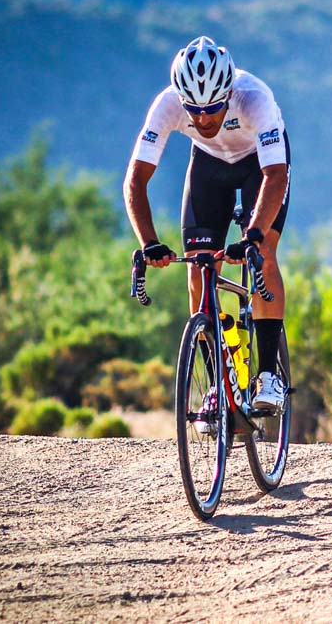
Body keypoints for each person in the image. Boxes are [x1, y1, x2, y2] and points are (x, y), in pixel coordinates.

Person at [123, 36, 290, 418]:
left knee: (262, 255)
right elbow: (135, 181)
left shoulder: (254, 98)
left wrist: (252, 235)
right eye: (193, 111)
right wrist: (149, 243)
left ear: (228, 93)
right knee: (200, 269)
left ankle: (267, 375)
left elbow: (276, 176)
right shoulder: (166, 105)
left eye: (213, 108)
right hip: (209, 166)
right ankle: (218, 384)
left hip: (259, 167)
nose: (203, 119)